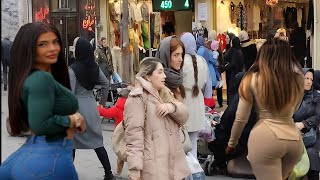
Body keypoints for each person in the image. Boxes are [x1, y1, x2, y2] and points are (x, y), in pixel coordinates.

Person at [0, 22, 86, 179]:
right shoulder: (41, 79)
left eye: (55, 42)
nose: (52, 48)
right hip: (51, 157)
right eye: (42, 44)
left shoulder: (35, 78)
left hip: (30, 152)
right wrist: (73, 120)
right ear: (29, 50)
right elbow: (41, 125)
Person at [226, 38, 305, 179]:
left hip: (265, 136)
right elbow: (295, 108)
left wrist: (232, 143)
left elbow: (241, 118)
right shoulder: (298, 78)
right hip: (294, 139)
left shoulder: (252, 78)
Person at [124, 57, 190, 180]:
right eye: (159, 72)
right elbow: (134, 137)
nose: (164, 76)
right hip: (154, 168)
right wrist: (134, 170)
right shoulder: (137, 98)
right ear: (148, 76)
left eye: (163, 72)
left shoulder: (165, 93)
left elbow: (184, 116)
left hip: (173, 165)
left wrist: (172, 107)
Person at [69, 37, 114, 180]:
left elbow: (70, 92)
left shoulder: (72, 69)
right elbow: (106, 84)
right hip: (91, 107)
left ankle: (67, 173)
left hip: (76, 110)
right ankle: (108, 173)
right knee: (97, 142)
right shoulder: (95, 67)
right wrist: (101, 102)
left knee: (72, 142)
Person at [209, 72, 257, 174]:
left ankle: (221, 164)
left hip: (237, 142)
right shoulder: (257, 99)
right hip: (251, 139)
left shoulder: (238, 101)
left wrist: (230, 145)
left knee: (216, 137)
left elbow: (228, 125)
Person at [180, 32, 209, 158]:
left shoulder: (181, 61)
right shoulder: (202, 61)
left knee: (182, 142)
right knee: (193, 143)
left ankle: (185, 172)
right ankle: (194, 169)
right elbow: (207, 84)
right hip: (198, 101)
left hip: (185, 100)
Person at [293, 68, 320, 180]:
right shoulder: (292, 95)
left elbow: (318, 116)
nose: (309, 82)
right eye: (306, 78)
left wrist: (303, 124)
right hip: (293, 135)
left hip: (311, 136)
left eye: (311, 79)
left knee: (311, 154)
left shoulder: (317, 97)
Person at [98, 88, 130, 179]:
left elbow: (106, 113)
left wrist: (99, 108)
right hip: (132, 133)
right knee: (134, 153)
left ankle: (118, 172)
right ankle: (133, 171)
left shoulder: (118, 108)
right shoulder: (133, 107)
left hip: (121, 135)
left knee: (121, 154)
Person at [155, 36, 186, 101]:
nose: (181, 59)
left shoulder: (177, 78)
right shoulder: (156, 82)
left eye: (181, 55)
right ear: (166, 56)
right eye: (176, 55)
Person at [223, 37, 244, 105]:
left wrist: (225, 67)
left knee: (231, 91)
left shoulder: (234, 51)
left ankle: (231, 106)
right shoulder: (240, 51)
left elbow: (233, 64)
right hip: (238, 73)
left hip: (232, 74)